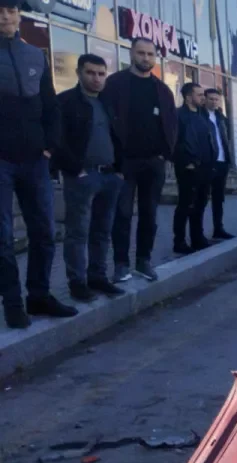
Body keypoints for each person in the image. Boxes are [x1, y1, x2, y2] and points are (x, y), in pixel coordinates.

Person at [0, 0, 72, 328]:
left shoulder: (35, 56)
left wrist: (48, 148)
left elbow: (51, 107)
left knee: (44, 230)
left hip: (34, 161)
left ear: (19, 14)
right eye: (0, 10)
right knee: (2, 238)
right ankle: (13, 304)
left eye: (11, 9)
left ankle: (39, 296)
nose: (5, 16)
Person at [101, 36, 177, 283]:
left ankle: (144, 261)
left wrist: (166, 154)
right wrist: (112, 161)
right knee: (122, 214)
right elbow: (104, 123)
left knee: (150, 215)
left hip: (153, 163)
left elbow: (172, 124)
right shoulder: (114, 84)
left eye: (150, 54)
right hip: (123, 163)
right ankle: (121, 264)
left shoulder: (162, 90)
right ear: (131, 53)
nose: (146, 58)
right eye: (141, 53)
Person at [53, 53, 125, 304]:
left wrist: (119, 169)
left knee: (103, 231)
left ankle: (98, 276)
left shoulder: (109, 102)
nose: (96, 78)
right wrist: (75, 169)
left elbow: (120, 135)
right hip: (81, 177)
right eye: (90, 73)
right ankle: (77, 283)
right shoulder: (65, 102)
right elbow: (56, 140)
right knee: (77, 232)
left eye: (101, 73)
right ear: (79, 73)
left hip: (109, 176)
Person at [172, 82, 215, 258]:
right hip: (188, 168)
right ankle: (180, 242)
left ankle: (198, 237)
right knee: (186, 204)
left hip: (205, 167)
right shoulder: (179, 116)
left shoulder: (203, 115)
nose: (203, 98)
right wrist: (185, 162)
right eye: (199, 95)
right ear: (189, 97)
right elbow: (174, 143)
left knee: (201, 203)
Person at [204, 88, 233, 240]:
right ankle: (198, 233)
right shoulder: (200, 116)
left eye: (216, 99)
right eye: (211, 99)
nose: (214, 102)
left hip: (222, 162)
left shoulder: (220, 117)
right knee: (201, 199)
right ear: (205, 99)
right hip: (208, 163)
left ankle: (218, 228)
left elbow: (225, 138)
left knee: (218, 198)